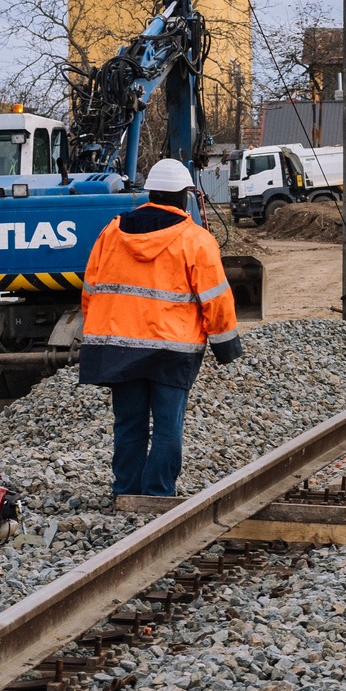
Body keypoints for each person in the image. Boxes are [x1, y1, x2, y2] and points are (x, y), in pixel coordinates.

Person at [80, 158, 244, 498]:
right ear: (185, 195)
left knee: (129, 425)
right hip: (173, 350)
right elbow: (215, 298)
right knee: (168, 428)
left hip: (120, 349)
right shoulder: (195, 240)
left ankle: (126, 493)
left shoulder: (111, 233)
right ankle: (158, 496)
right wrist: (226, 346)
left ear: (151, 193)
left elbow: (91, 291)